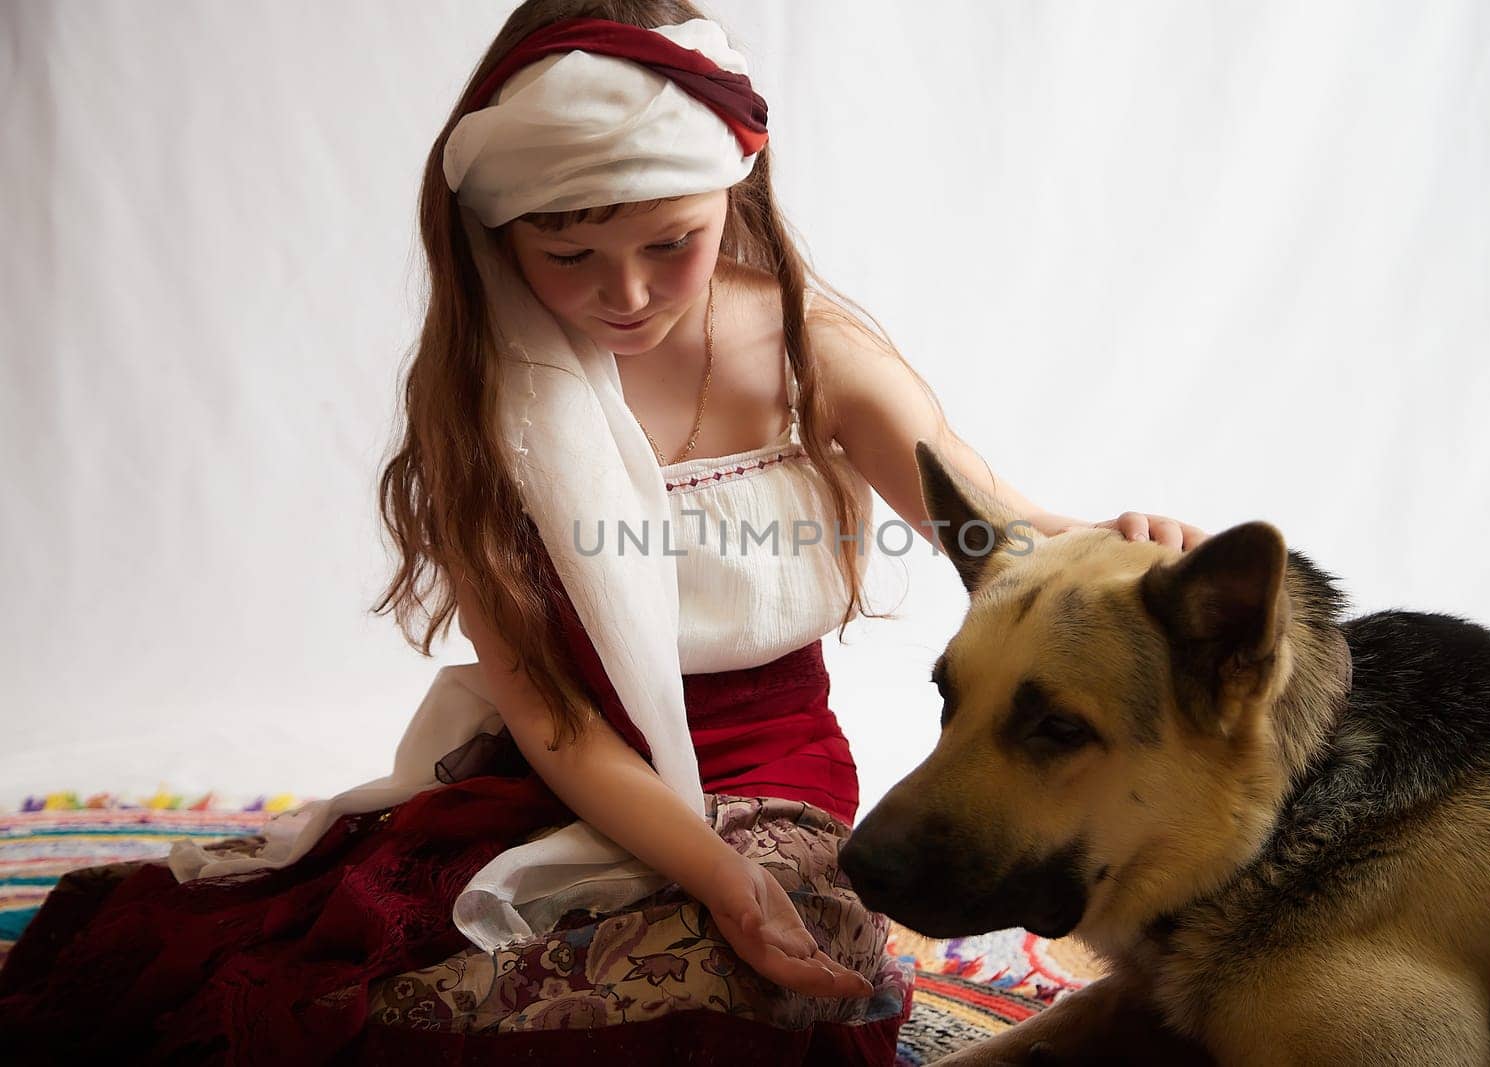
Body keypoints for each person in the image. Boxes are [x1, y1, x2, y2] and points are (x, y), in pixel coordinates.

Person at [0, 2, 1203, 1063]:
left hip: (773, 771)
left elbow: (989, 525)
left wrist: (1108, 533)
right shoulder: (488, 404)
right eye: (567, 254)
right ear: (496, 234)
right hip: (569, 773)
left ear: (735, 183)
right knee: (374, 987)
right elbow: (556, 718)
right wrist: (711, 876)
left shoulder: (805, 350)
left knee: (784, 985)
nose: (623, 295)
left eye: (668, 245)